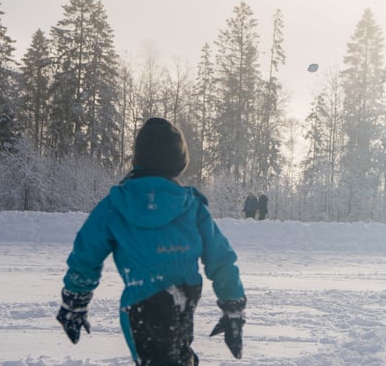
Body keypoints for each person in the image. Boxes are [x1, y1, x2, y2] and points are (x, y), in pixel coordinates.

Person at [56, 117, 246, 365]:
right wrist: (232, 306)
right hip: (185, 294)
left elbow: (86, 255)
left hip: (142, 300)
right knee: (177, 356)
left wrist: (75, 301)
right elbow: (220, 259)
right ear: (179, 162)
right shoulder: (191, 204)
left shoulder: (116, 204)